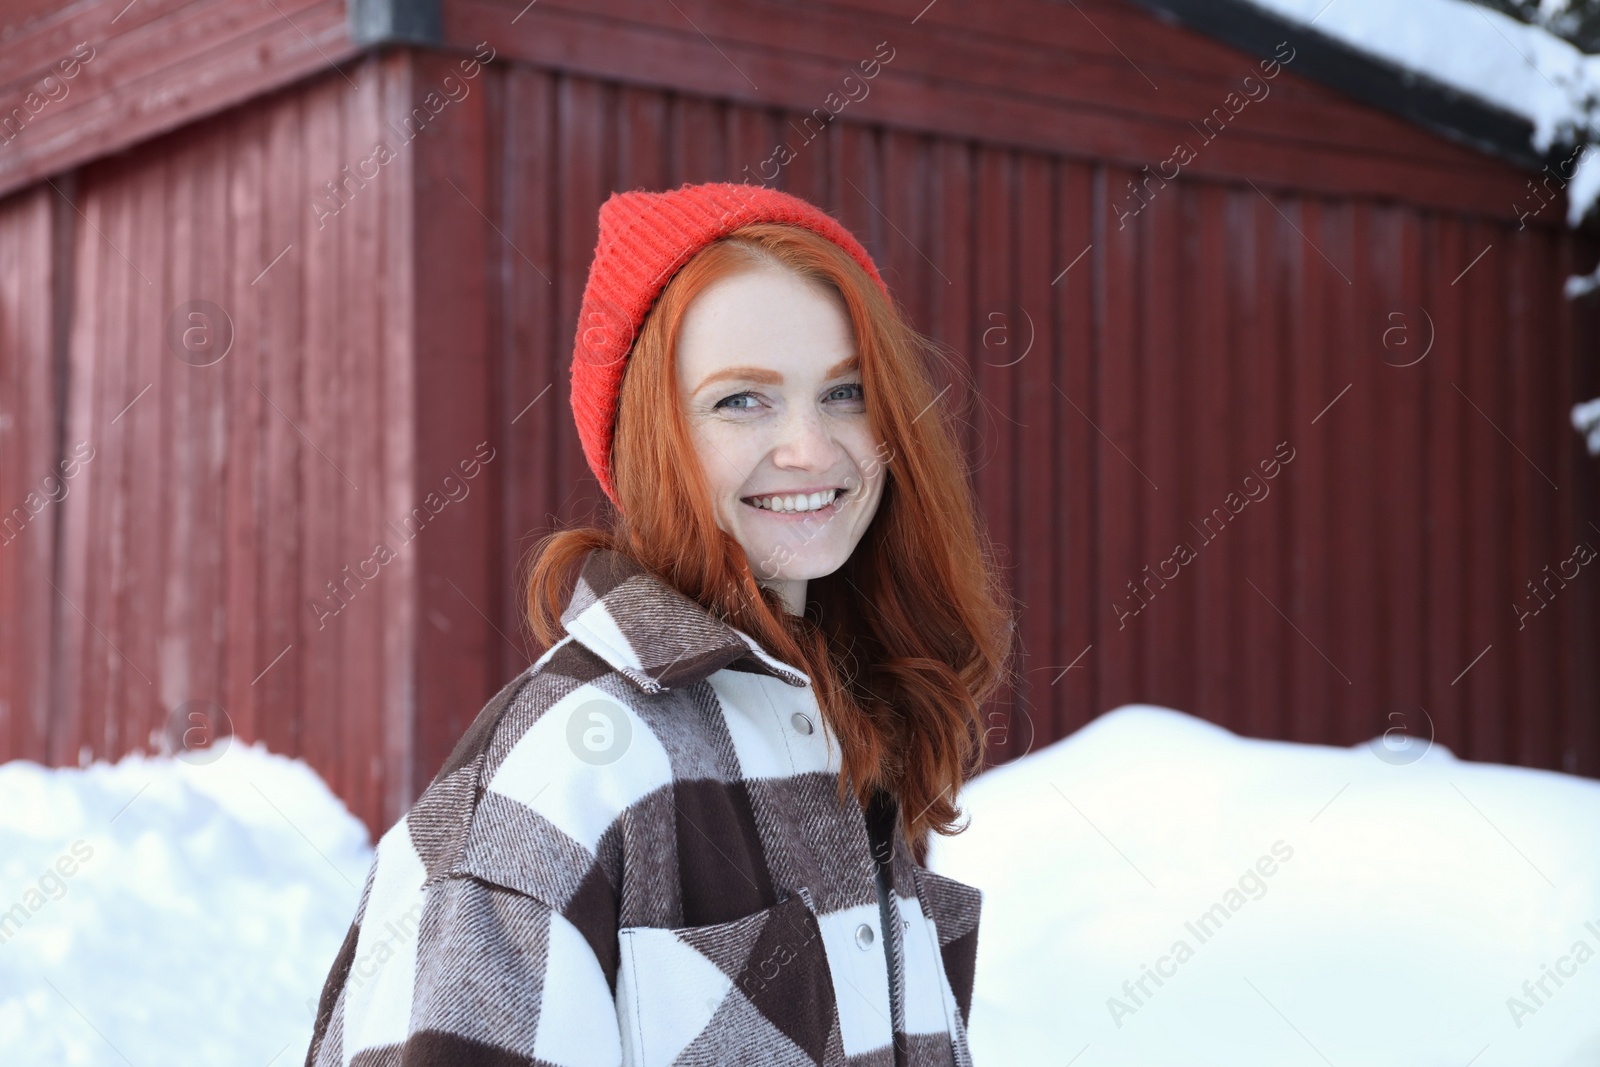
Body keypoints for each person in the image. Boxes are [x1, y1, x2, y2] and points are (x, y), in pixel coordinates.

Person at [303, 181, 1016, 1067]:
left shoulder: (843, 731)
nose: (813, 448)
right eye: (741, 400)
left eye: (845, 392)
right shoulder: (568, 768)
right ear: (648, 436)